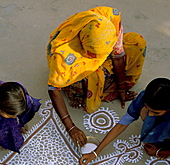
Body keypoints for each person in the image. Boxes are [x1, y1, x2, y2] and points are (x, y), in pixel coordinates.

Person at [47, 6, 146, 146]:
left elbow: (117, 55)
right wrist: (71, 127)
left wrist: (121, 88)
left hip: (100, 50)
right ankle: (83, 92)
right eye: (96, 55)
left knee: (137, 42)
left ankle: (107, 84)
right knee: (93, 77)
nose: (101, 58)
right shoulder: (63, 56)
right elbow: (53, 89)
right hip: (78, 64)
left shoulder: (109, 17)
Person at [79, 77, 170, 165]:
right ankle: (158, 127)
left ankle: (169, 141)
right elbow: (123, 123)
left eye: (155, 112)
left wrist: (159, 152)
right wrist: (96, 152)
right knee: (144, 110)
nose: (150, 115)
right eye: (150, 109)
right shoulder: (149, 95)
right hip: (167, 116)